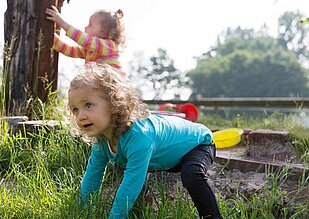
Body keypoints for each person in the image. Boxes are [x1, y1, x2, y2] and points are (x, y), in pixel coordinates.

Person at [67, 63, 223, 219]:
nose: (80, 116)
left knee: (191, 174)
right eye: (75, 109)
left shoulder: (138, 136)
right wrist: (82, 212)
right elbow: (92, 178)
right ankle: (143, 207)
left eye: (88, 105)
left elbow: (130, 185)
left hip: (197, 144)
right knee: (131, 170)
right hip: (165, 157)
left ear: (114, 103)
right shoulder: (101, 142)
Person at [45, 6, 126, 70]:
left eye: (90, 24)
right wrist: (50, 36)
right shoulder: (89, 50)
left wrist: (62, 23)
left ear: (103, 32)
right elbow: (69, 50)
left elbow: (85, 40)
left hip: (114, 86)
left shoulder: (109, 46)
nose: (85, 27)